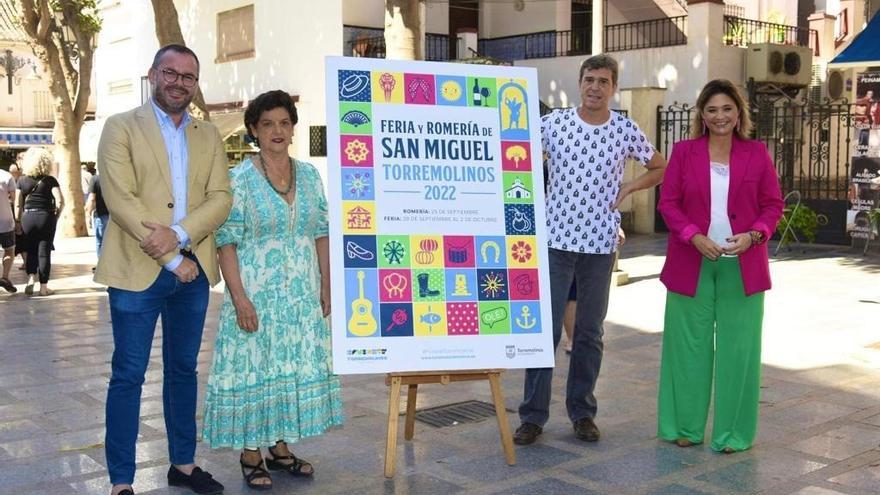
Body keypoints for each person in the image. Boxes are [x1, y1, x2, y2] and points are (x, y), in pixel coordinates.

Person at [96, 44, 232, 495]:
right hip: (139, 271)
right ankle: (120, 481)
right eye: (170, 73)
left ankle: (184, 465)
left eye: (188, 76)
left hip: (192, 272)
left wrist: (180, 236)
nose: (179, 82)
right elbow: (119, 200)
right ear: (153, 74)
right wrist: (170, 256)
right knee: (128, 373)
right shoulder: (119, 128)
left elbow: (220, 198)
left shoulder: (208, 135)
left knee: (183, 371)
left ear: (196, 84)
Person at [514, 54, 667, 445]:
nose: (595, 87)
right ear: (578, 83)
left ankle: (582, 412)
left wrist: (630, 187)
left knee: (588, 334)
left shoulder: (624, 129)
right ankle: (532, 416)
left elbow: (660, 166)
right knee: (543, 333)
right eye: (589, 79)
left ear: (613, 87)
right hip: (554, 244)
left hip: (599, 246)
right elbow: (518, 156)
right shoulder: (554, 124)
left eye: (603, 81)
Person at [202, 90, 343, 490]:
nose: (277, 131)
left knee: (288, 369)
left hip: (300, 295)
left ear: (293, 128)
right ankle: (250, 453)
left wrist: (327, 285)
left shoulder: (311, 176)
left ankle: (280, 449)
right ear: (253, 131)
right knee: (256, 369)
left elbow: (321, 232)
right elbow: (225, 241)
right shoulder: (240, 180)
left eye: (284, 123)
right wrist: (240, 298)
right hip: (256, 295)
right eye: (267, 124)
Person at [656, 79, 783, 453]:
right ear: (702, 115)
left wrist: (754, 236)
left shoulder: (757, 153)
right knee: (687, 349)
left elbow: (772, 205)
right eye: (712, 110)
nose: (720, 116)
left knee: (739, 351)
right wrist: (693, 235)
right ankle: (686, 427)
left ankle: (733, 434)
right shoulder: (683, 152)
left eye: (727, 108)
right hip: (690, 262)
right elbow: (669, 203)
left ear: (739, 113)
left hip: (743, 267)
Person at [15, 147, 63, 296]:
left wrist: (17, 221)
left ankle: (30, 278)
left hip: (28, 217)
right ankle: (43, 288)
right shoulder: (50, 180)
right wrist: (55, 216)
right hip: (46, 216)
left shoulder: (21, 180)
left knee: (30, 250)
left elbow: (18, 204)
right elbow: (60, 201)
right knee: (44, 252)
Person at [85, 171, 109, 262]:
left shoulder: (95, 179)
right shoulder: (115, 177)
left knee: (101, 242)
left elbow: (91, 198)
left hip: (101, 214)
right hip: (115, 215)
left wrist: (88, 214)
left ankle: (102, 264)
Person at [0, 166, 16, 293]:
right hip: (5, 220)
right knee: (9, 250)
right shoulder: (6, 176)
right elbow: (13, 199)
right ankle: (4, 277)